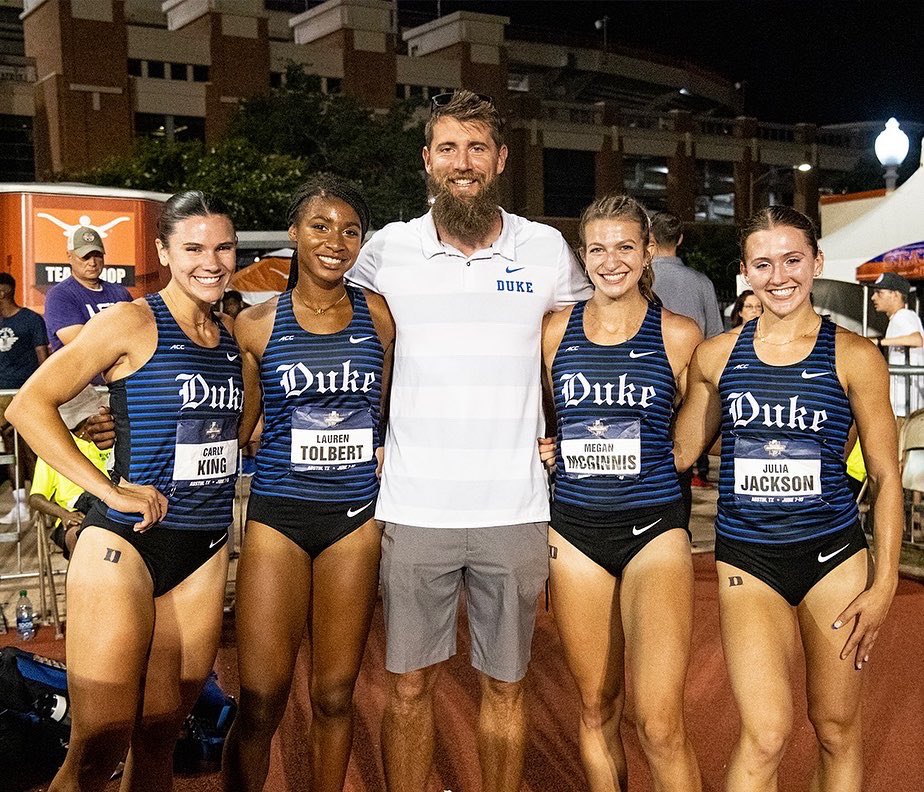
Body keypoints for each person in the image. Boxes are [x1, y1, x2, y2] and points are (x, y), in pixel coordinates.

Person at [346, 89, 592, 792]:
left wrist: (567, 432)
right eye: (448, 148)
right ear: (426, 160)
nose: (463, 162)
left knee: (507, 688)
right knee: (409, 688)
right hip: (417, 508)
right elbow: (341, 336)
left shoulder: (544, 249)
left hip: (514, 506)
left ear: (501, 159)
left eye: (477, 147)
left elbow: (576, 353)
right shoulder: (388, 250)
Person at [7, 191, 242, 792]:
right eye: (192, 248)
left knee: (161, 737)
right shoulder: (131, 320)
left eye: (222, 246)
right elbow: (31, 406)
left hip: (204, 547)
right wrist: (105, 490)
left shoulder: (231, 336)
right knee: (97, 745)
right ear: (164, 252)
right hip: (127, 548)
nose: (210, 262)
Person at [674, 206, 902, 792]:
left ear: (817, 263)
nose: (780, 276)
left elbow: (884, 476)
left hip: (834, 560)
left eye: (793, 260)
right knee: (767, 734)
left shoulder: (855, 355)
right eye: (764, 263)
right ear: (746, 271)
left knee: (835, 728)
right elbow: (674, 454)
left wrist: (884, 586)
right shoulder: (717, 355)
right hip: (748, 559)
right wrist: (568, 441)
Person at [222, 177, 394, 792]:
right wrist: (119, 413)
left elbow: (393, 408)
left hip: (354, 518)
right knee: (262, 698)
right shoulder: (256, 326)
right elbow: (238, 426)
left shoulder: (379, 316)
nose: (335, 240)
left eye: (350, 230)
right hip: (278, 517)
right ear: (293, 234)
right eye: (320, 226)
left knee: (333, 695)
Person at [541, 194, 702, 791]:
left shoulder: (680, 335)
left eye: (625, 247)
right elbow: (538, 415)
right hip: (576, 531)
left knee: (659, 724)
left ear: (649, 251)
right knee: (594, 708)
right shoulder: (554, 331)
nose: (610, 262)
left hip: (655, 529)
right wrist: (544, 443)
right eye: (597, 249)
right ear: (583, 256)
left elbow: (694, 438)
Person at [650, 210, 722, 490]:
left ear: (650, 240)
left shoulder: (637, 279)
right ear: (679, 239)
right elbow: (715, 335)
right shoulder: (701, 282)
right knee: (682, 456)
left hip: (646, 380)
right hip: (691, 383)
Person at [29, 386, 112, 559]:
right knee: (80, 536)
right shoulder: (55, 448)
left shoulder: (110, 440)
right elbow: (36, 498)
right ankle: (82, 585)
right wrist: (64, 514)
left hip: (109, 506)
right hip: (74, 513)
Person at [0, 271, 48, 522]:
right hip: (1, 398)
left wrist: (40, 393)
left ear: (3, 292)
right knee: (10, 449)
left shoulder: (30, 320)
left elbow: (43, 358)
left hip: (26, 395)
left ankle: (44, 501)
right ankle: (20, 504)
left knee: (32, 450)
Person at [43, 225, 132, 351]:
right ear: (69, 256)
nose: (93, 263)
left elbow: (137, 334)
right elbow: (83, 347)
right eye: (85, 257)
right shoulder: (60, 295)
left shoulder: (120, 293)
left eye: (98, 255)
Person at [869, 272, 924, 416]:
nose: (873, 297)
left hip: (905, 406)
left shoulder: (903, 316)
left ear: (895, 295)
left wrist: (879, 342)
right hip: (904, 403)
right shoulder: (899, 318)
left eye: (879, 293)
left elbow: (916, 340)